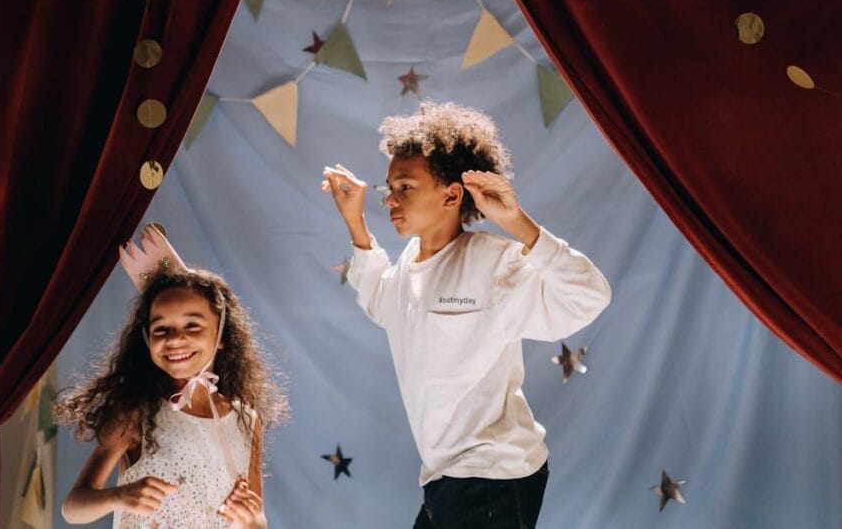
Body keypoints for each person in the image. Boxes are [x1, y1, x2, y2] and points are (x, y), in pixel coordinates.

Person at [321, 101, 611, 528]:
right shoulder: (406, 267)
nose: (392, 201)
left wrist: (519, 224)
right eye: (389, 189)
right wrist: (355, 225)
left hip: (493, 475)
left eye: (405, 187)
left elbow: (588, 296)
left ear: (452, 194)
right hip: (445, 476)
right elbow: (382, 302)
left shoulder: (494, 263)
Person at [55, 225, 287, 528]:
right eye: (161, 329)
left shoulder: (247, 419)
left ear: (222, 336)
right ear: (147, 339)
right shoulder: (136, 409)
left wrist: (253, 520)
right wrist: (119, 497)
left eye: (192, 326)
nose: (175, 339)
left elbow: (257, 520)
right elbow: (73, 508)